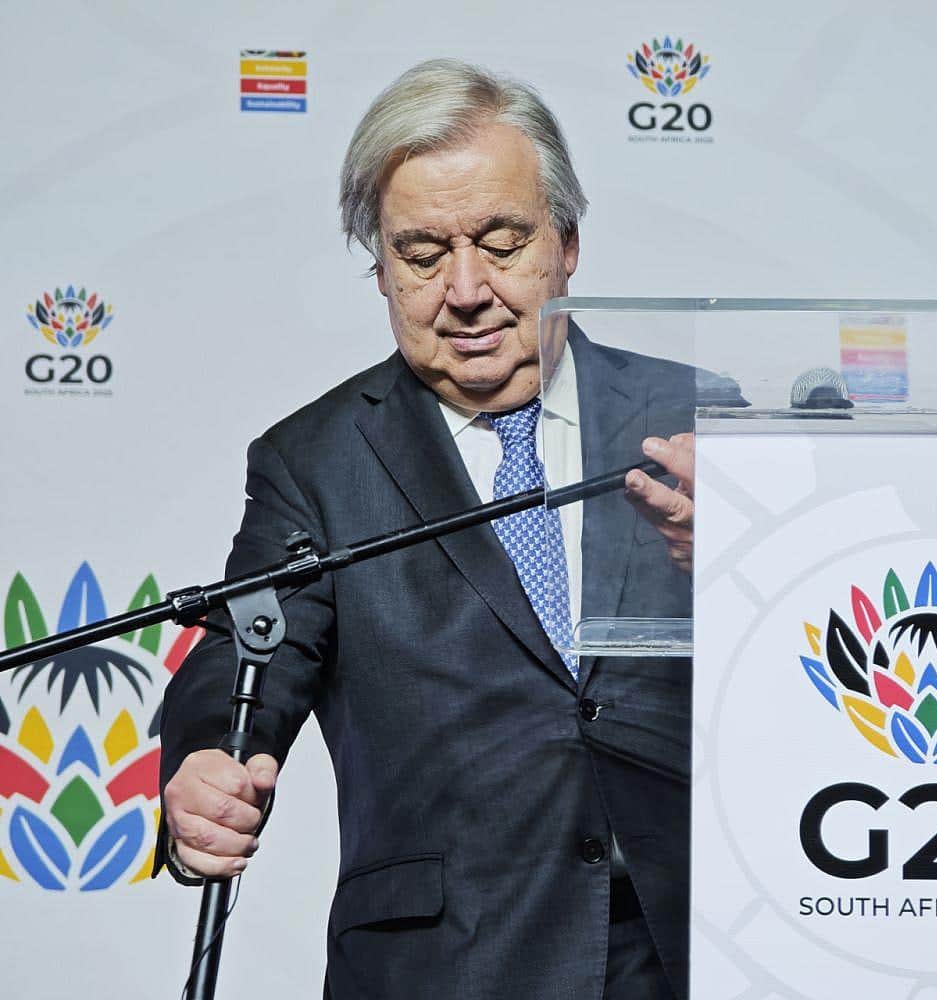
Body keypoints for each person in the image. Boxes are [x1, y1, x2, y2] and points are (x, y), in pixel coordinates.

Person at [155, 59, 709, 1000]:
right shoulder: (316, 460)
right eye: (421, 254)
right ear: (380, 268)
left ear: (567, 243)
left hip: (695, 948)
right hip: (445, 963)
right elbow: (247, 651)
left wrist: (738, 562)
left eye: (501, 242)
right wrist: (208, 760)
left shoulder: (698, 418)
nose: (466, 288)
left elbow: (824, 643)